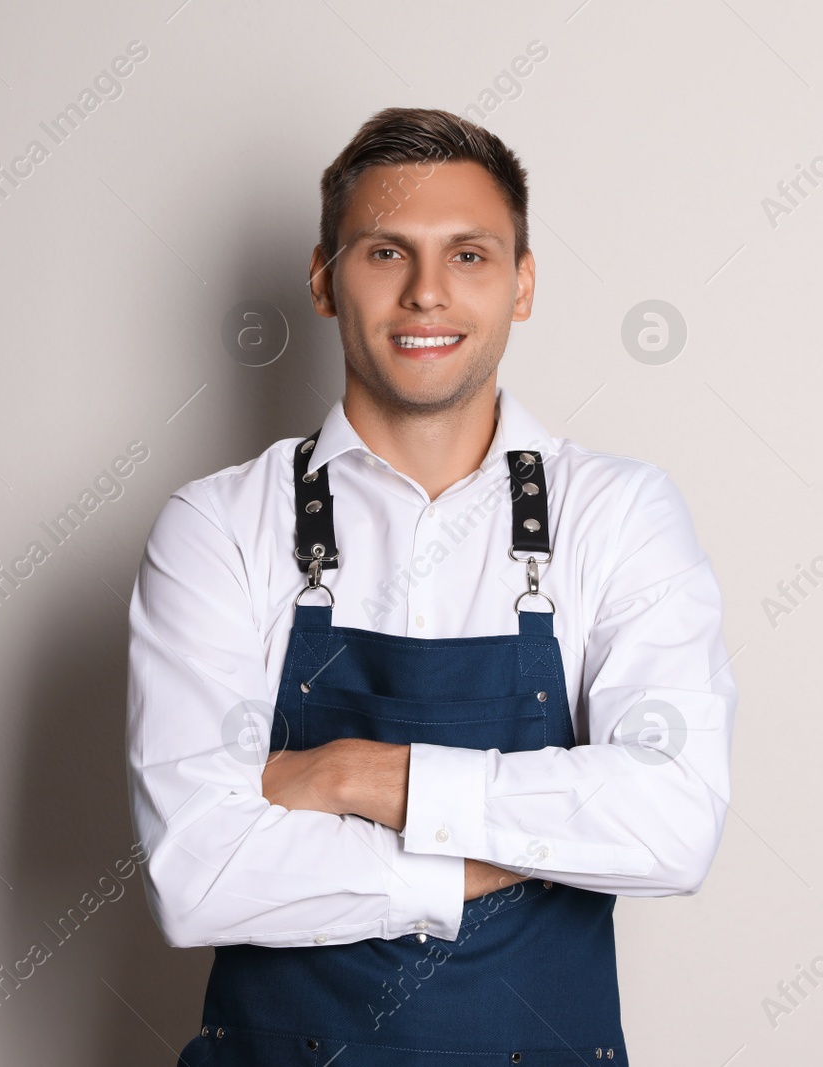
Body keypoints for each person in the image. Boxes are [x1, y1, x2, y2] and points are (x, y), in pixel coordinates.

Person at [126, 106, 737, 1066]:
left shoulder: (617, 513)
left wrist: (351, 775)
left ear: (522, 283)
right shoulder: (219, 528)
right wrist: (515, 846)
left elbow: (671, 823)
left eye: (469, 256)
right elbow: (197, 874)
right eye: (384, 254)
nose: (426, 294)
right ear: (325, 281)